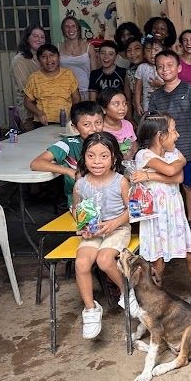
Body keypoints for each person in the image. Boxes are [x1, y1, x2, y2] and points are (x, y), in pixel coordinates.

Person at [131, 113, 191, 309]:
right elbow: (172, 172)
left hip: (175, 214)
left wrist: (149, 175)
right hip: (156, 216)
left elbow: (178, 176)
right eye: (173, 131)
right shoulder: (143, 155)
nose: (177, 135)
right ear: (160, 136)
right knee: (157, 262)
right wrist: (171, 168)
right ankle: (152, 301)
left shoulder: (172, 153)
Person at [72, 132, 137, 339]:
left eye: (103, 156)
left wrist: (114, 223)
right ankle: (91, 309)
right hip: (93, 232)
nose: (97, 161)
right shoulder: (81, 184)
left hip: (118, 229)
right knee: (81, 263)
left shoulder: (120, 181)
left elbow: (132, 210)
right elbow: (76, 208)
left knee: (104, 259)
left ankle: (127, 293)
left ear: (114, 158)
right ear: (84, 158)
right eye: (91, 156)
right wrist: (82, 225)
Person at [148, 50, 191, 236]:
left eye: (170, 65)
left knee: (189, 185)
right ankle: (171, 220)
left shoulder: (190, 90)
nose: (165, 69)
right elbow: (152, 124)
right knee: (166, 184)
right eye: (160, 66)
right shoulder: (155, 96)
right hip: (164, 151)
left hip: (188, 146)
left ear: (179, 68)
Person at [30, 101, 104, 207]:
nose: (94, 128)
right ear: (75, 128)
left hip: (106, 198)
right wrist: (69, 171)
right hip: (79, 202)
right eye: (86, 124)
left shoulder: (107, 142)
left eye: (98, 122)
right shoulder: (68, 144)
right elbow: (36, 163)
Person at [23, 44, 81, 125]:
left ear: (58, 57)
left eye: (52, 55)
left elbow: (76, 99)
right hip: (42, 123)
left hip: (65, 121)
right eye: (44, 57)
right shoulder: (34, 77)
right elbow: (27, 102)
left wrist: (72, 116)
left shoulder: (68, 74)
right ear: (39, 60)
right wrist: (39, 113)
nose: (48, 60)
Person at [11, 24, 45, 129]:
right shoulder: (19, 60)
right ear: (27, 38)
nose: (39, 40)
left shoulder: (43, 58)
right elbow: (25, 88)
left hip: (44, 108)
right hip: (29, 111)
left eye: (42, 37)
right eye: (35, 36)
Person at [59, 16, 98, 99]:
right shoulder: (58, 48)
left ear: (78, 28)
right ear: (63, 30)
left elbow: (94, 75)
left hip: (86, 92)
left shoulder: (89, 47)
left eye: (73, 26)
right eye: (67, 27)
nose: (70, 29)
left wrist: (93, 98)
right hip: (65, 93)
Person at [97, 88, 136, 159]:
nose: (122, 108)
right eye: (116, 104)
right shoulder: (99, 129)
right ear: (103, 109)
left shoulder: (127, 124)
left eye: (125, 103)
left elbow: (134, 145)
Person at [133, 36, 164, 115]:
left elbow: (173, 84)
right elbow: (138, 88)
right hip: (147, 105)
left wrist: (161, 84)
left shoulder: (165, 67)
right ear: (144, 53)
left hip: (164, 104)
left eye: (156, 50)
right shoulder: (142, 67)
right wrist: (137, 104)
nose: (152, 53)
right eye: (148, 50)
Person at [122, 37, 144, 121]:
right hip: (138, 116)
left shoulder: (155, 68)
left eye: (137, 49)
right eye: (129, 50)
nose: (133, 53)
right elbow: (127, 98)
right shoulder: (129, 72)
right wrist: (129, 119)